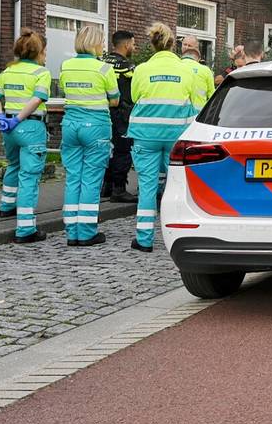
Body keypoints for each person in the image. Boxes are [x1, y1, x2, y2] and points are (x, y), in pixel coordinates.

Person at [127, 23, 197, 252]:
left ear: (153, 44)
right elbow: (193, 101)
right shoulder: (187, 70)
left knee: (147, 186)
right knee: (176, 185)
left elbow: (134, 96)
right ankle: (177, 237)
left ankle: (144, 239)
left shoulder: (142, 69)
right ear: (173, 45)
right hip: (176, 135)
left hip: (145, 135)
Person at [0, 29, 51, 244]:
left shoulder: (7, 72)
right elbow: (37, 99)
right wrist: (20, 118)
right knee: (29, 176)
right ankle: (25, 229)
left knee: (13, 165)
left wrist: (2, 118)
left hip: (9, 130)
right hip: (31, 127)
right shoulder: (41, 73)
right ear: (39, 53)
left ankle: (6, 207)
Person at [59, 25, 120, 246]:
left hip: (70, 125)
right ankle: (86, 232)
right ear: (95, 43)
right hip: (96, 126)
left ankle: (71, 231)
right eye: (101, 41)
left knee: (73, 177)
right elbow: (114, 99)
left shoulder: (66, 66)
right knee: (91, 180)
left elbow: (66, 91)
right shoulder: (103, 68)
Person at [101, 30, 136, 203]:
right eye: (133, 44)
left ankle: (106, 186)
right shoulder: (127, 67)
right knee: (122, 151)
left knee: (106, 150)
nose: (134, 47)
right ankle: (119, 189)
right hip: (121, 114)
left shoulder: (101, 62)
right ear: (127, 44)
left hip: (102, 113)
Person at [180, 35, 216, 109]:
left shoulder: (175, 66)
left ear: (196, 49)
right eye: (184, 44)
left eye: (189, 45)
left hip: (184, 114)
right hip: (197, 114)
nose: (186, 47)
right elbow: (213, 97)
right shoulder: (205, 70)